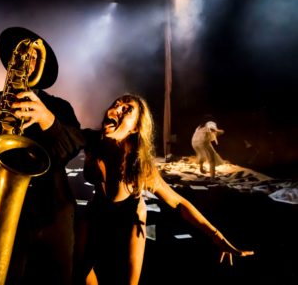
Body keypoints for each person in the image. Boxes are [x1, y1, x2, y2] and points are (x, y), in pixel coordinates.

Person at [0, 27, 85, 285]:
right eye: (24, 56)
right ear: (13, 64)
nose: (29, 60)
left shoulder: (59, 108)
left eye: (36, 56)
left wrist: (48, 120)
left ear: (43, 66)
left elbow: (74, 149)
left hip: (53, 220)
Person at [75, 94, 254, 285]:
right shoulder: (93, 142)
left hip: (130, 221)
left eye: (127, 109)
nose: (117, 109)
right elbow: (59, 131)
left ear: (135, 127)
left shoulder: (140, 167)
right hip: (98, 212)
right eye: (116, 104)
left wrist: (216, 236)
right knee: (80, 271)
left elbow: (178, 203)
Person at [191, 115, 225, 180]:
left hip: (194, 142)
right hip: (202, 142)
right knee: (212, 160)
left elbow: (210, 134)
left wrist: (216, 132)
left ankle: (201, 168)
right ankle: (212, 178)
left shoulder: (199, 126)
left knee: (201, 154)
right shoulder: (210, 123)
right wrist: (220, 131)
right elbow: (212, 129)